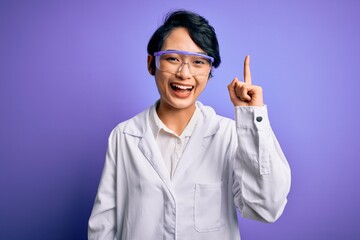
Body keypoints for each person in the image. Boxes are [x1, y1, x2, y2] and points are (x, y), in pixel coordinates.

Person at [88, 10, 291, 240]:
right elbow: (102, 228)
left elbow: (266, 207)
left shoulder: (228, 136)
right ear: (151, 63)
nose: (184, 73)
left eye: (198, 62)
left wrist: (252, 117)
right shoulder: (124, 137)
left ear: (209, 71)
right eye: (173, 58)